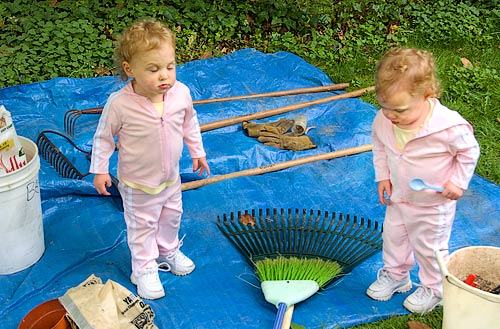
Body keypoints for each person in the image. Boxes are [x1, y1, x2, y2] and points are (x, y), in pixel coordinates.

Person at [90, 19, 210, 300]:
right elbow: (103, 137)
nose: (164, 76)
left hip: (171, 178)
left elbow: (189, 124)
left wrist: (197, 152)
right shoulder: (120, 104)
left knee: (171, 216)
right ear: (130, 70)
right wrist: (100, 169)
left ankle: (166, 250)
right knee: (141, 227)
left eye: (170, 66)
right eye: (153, 69)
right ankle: (143, 267)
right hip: (137, 184)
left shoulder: (180, 93)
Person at [366, 47, 480, 313]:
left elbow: (469, 151)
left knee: (430, 248)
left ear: (427, 95)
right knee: (394, 237)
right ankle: (396, 276)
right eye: (384, 107)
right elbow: (379, 145)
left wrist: (458, 182)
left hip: (433, 202)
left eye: (400, 110)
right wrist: (383, 175)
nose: (391, 116)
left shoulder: (448, 127)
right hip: (399, 196)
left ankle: (435, 288)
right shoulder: (384, 121)